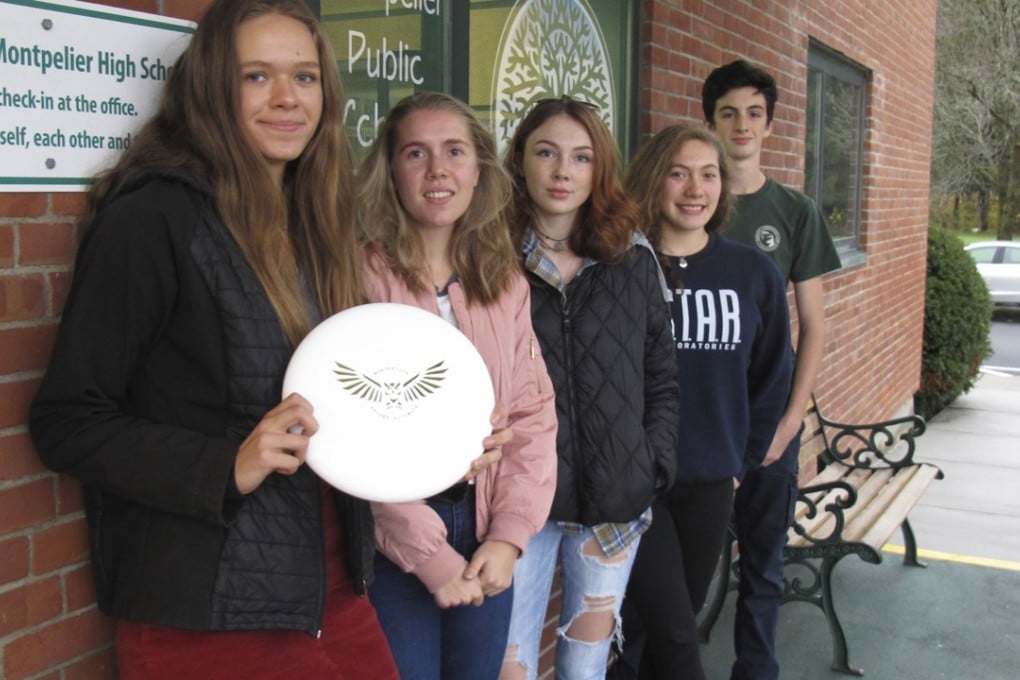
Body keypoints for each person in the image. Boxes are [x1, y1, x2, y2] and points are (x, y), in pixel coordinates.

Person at [26, 3, 504, 678]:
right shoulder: (154, 219)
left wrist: (434, 450)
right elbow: (67, 421)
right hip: (207, 611)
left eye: (304, 77)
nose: (287, 98)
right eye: (257, 76)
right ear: (211, 89)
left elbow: (339, 410)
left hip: (330, 588)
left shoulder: (317, 222)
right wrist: (228, 464)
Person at [355, 91, 559, 680]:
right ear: (391, 171)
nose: (437, 170)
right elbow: (347, 432)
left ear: (478, 171)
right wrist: (427, 554)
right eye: (416, 153)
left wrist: (509, 536)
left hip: (485, 524)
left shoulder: (504, 283)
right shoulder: (356, 277)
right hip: (394, 537)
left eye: (454, 151)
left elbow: (531, 414)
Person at [498, 96, 680, 680]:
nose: (562, 172)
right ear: (519, 159)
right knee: (510, 663)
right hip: (518, 499)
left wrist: (651, 463)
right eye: (546, 153)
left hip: (613, 502)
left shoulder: (632, 258)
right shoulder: (489, 258)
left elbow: (661, 375)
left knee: (585, 666)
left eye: (581, 157)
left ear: (599, 168)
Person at [615, 125, 793, 679]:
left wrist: (742, 461)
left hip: (712, 479)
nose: (695, 189)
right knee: (674, 633)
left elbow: (772, 376)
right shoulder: (619, 266)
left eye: (709, 175)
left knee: (664, 623)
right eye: (679, 173)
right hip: (634, 482)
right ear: (653, 180)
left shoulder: (753, 272)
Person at [702, 59, 842, 680]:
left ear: (769, 124)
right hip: (701, 418)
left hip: (767, 419)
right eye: (729, 112)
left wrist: (791, 419)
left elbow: (813, 324)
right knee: (683, 565)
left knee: (763, 564)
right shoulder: (690, 198)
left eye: (754, 114)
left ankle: (756, 670)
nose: (742, 125)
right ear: (710, 121)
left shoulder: (794, 210)